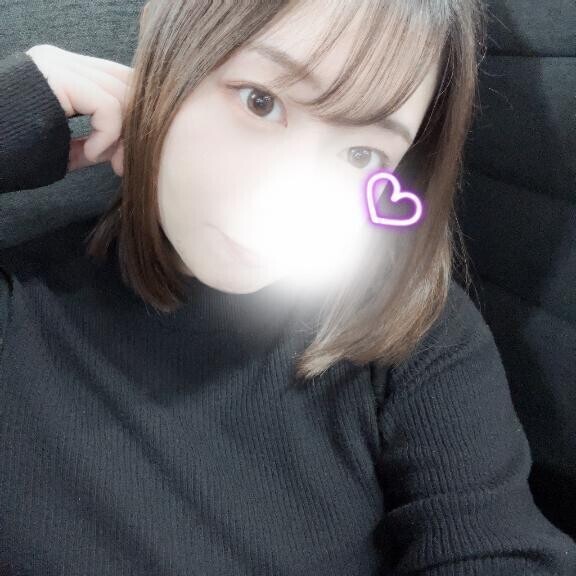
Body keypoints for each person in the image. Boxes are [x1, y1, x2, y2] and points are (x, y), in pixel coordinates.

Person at [1, 1, 575, 574]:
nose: (293, 189)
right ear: (164, 50)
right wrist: (13, 113)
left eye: (361, 153)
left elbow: (494, 546)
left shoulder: (409, 329)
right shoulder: (21, 307)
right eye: (260, 101)